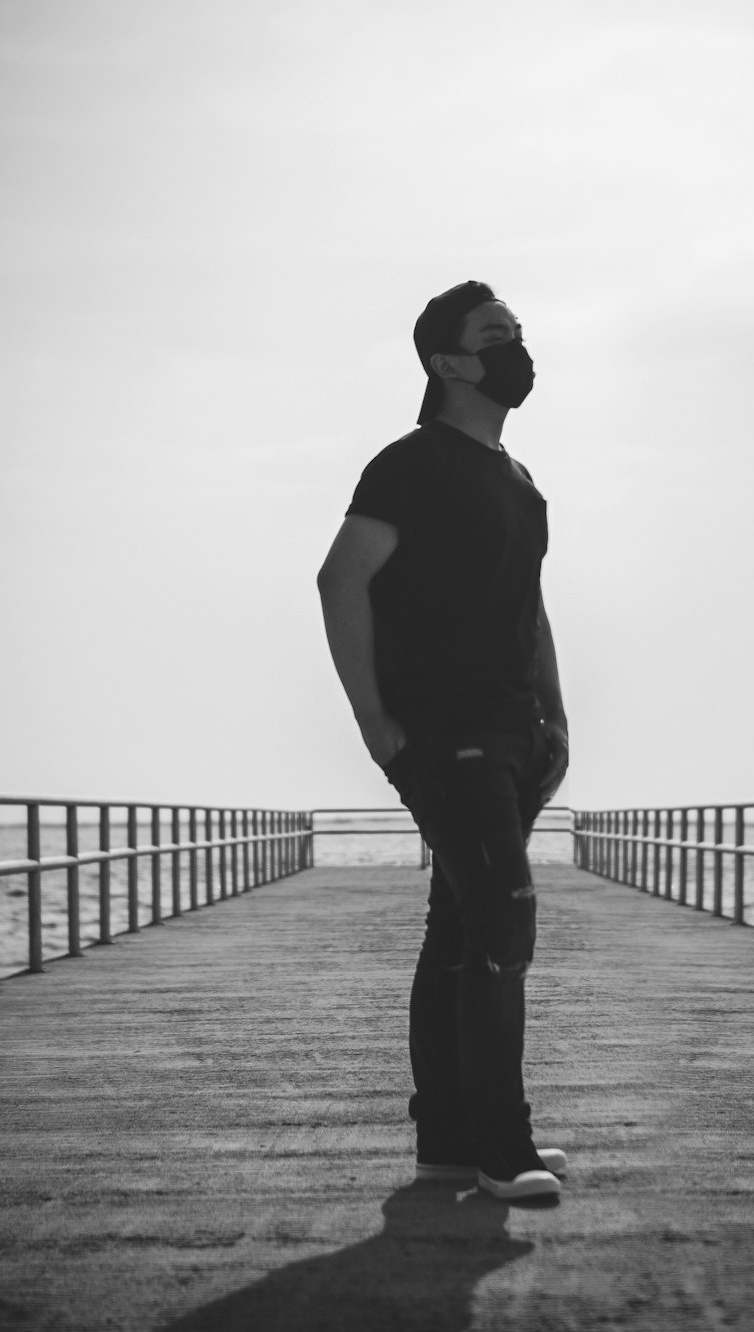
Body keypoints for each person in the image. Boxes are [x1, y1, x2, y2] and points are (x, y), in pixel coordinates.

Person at [317, 280, 569, 1201]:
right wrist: (374, 722)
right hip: (445, 732)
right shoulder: (413, 462)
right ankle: (505, 1147)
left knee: (461, 928)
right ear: (448, 363)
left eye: (517, 333)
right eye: (495, 335)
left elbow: (529, 611)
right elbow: (340, 579)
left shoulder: (519, 481)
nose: (516, 349)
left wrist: (557, 715)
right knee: (503, 924)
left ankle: (451, 1141)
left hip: (515, 734)